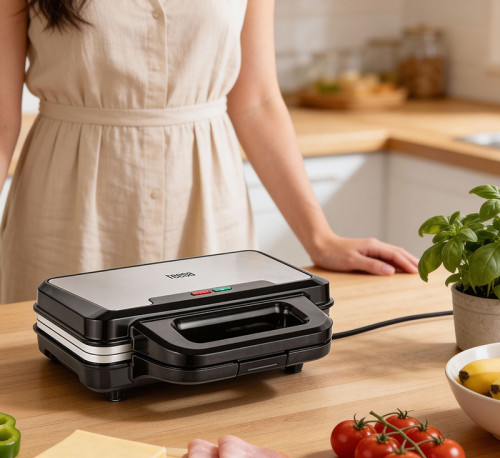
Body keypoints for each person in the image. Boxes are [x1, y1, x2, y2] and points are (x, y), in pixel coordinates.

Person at [0, 0, 418, 304]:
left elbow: (257, 103)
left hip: (207, 205)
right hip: (69, 212)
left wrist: (320, 237)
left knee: (212, 366)